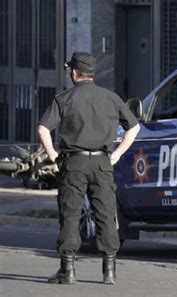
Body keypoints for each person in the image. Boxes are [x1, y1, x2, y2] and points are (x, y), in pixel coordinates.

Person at [38, 52, 140, 285]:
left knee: (71, 214)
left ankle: (68, 270)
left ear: (74, 73)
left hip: (73, 163)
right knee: (105, 213)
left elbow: (43, 128)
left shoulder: (64, 98)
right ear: (92, 73)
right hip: (102, 163)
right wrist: (116, 154)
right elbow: (133, 128)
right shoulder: (111, 98)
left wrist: (54, 155)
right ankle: (109, 271)